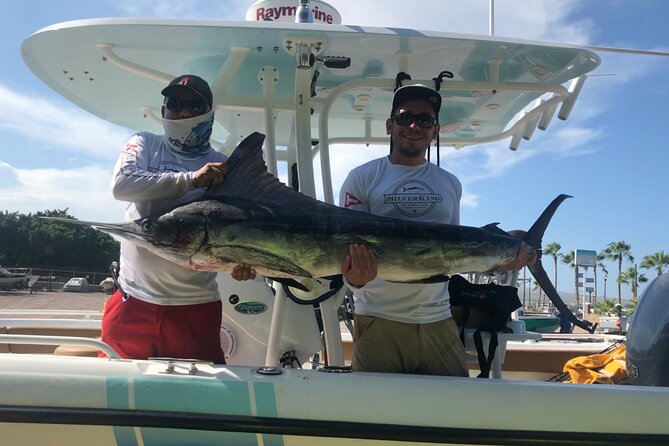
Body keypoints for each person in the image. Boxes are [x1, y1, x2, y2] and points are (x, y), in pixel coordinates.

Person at [339, 84, 536, 376]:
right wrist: (354, 280)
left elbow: (454, 253)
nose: (414, 125)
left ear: (437, 129)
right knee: (376, 416)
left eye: (425, 119)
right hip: (379, 318)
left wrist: (503, 261)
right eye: (405, 118)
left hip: (438, 319)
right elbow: (345, 250)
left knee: (454, 414)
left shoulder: (450, 183)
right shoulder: (361, 178)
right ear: (390, 125)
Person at [103, 74, 256, 363]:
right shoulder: (144, 143)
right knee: (117, 392)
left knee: (197, 400)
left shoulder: (224, 166)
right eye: (175, 104)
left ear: (210, 114)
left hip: (194, 307)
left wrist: (243, 261)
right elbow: (122, 185)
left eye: (195, 107)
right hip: (131, 302)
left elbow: (239, 231)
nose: (183, 112)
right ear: (163, 111)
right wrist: (191, 180)